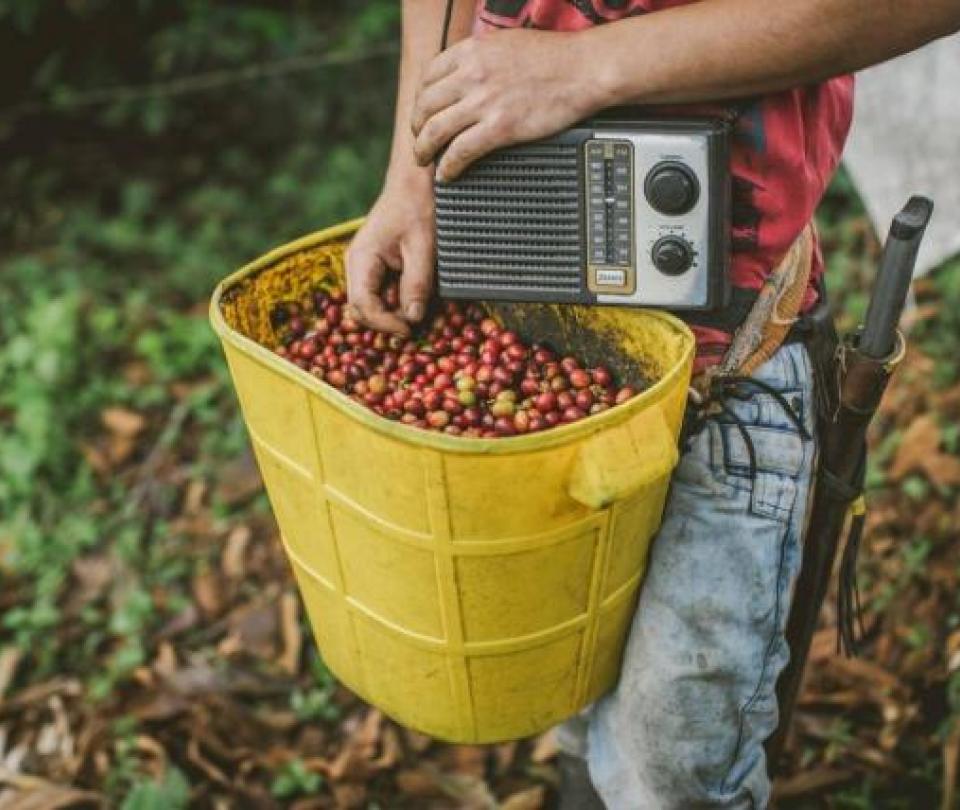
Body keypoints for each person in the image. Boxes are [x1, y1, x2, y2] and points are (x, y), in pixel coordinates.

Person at [345, 2, 960, 808]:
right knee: (562, 648)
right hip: (523, 305)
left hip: (733, 352)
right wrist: (410, 175)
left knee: (674, 740)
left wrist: (585, 67)